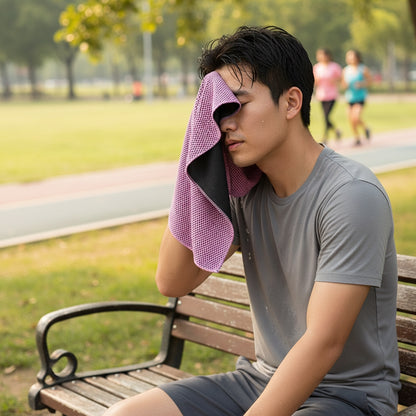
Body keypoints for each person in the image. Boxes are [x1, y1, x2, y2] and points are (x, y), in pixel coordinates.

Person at [104, 26, 400, 416]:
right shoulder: (245, 190)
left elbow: (324, 342)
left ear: (291, 102)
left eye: (237, 104)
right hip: (259, 380)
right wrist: (196, 158)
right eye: (217, 110)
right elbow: (172, 281)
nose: (224, 123)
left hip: (347, 397)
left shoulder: (351, 195)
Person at [342, 49, 372, 146]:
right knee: (351, 119)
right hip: (350, 97)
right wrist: (344, 85)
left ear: (357, 58)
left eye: (352, 56)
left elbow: (370, 81)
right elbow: (343, 84)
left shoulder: (363, 69)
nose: (350, 58)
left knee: (356, 117)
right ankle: (357, 137)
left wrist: (362, 84)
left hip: (360, 97)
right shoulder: (345, 70)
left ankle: (365, 128)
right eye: (348, 56)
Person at [313, 48, 342, 143]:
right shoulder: (317, 67)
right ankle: (336, 131)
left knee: (326, 116)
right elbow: (314, 81)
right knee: (325, 116)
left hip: (332, 95)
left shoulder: (334, 67)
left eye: (322, 55)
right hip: (321, 95)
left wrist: (334, 81)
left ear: (327, 56)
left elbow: (340, 79)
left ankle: (326, 137)